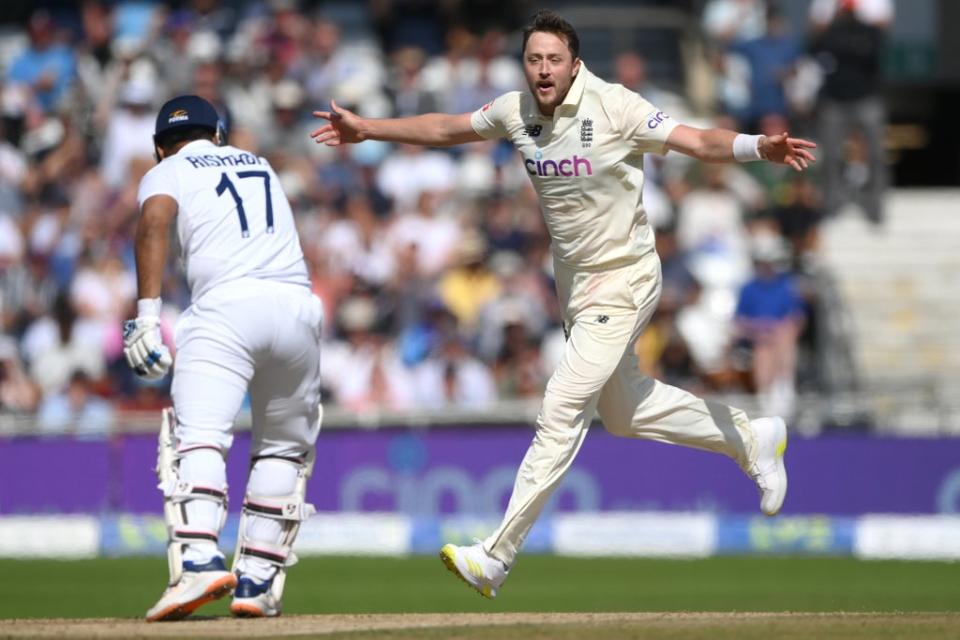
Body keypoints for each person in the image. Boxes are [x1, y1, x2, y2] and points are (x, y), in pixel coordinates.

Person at [311, 10, 815, 600]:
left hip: (626, 276)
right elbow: (448, 129)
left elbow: (696, 140)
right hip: (576, 286)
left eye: (554, 60)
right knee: (623, 413)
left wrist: (760, 146)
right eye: (534, 59)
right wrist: (368, 128)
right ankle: (748, 437)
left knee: (563, 404)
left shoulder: (616, 106)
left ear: (575, 63)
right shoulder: (514, 110)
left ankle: (496, 556)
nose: (543, 70)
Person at [124, 95, 323, 620]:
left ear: (157, 149)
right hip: (297, 308)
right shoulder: (258, 163)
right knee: (283, 447)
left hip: (225, 309)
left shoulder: (167, 170)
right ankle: (256, 580)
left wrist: (147, 316)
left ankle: (199, 560)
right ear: (219, 135)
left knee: (199, 434)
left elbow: (154, 221)